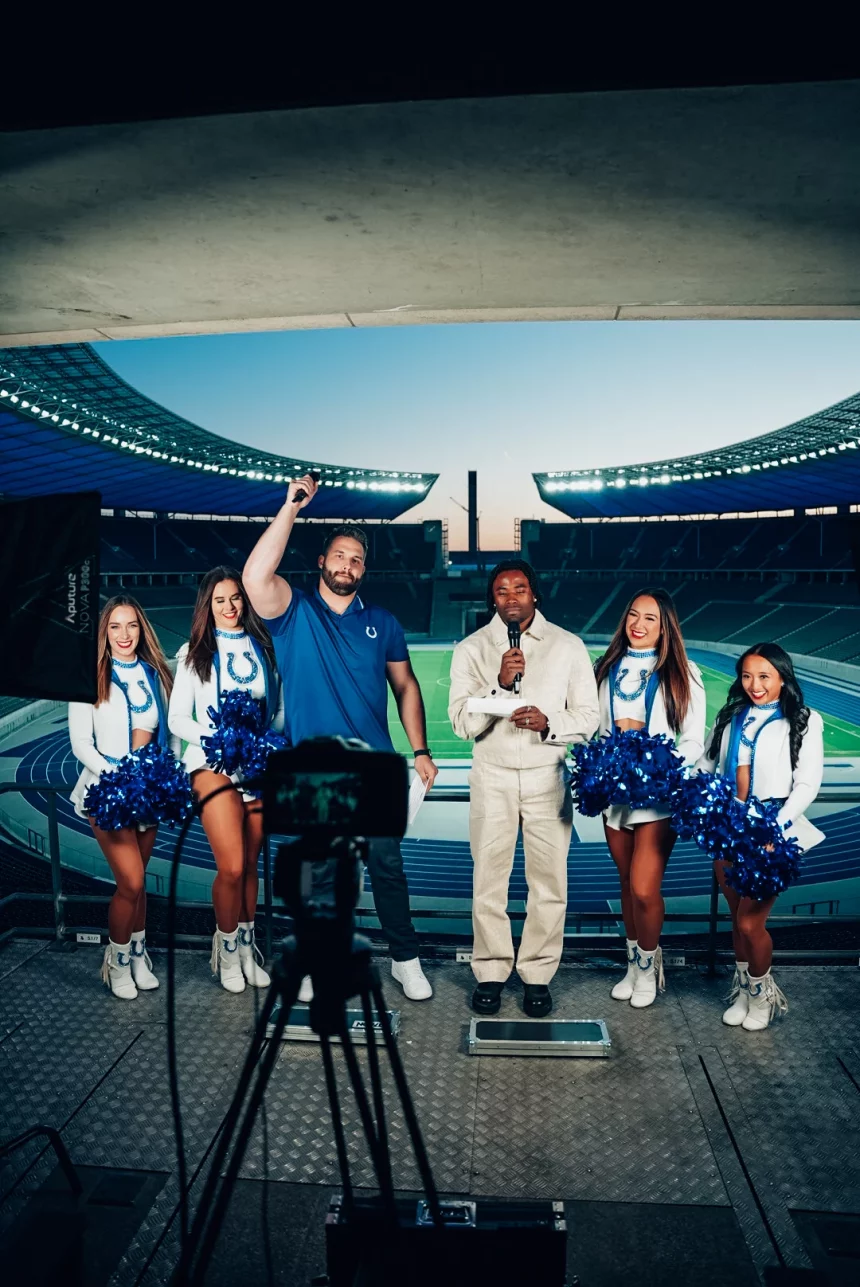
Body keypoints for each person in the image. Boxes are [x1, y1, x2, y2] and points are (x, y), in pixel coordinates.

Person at [242, 477, 438, 1003]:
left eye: (356, 559)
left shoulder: (383, 622)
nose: (347, 565)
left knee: (388, 870)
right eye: (339, 556)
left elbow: (406, 686)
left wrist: (420, 749)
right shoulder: (292, 613)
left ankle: (405, 960)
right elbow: (255, 576)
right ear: (321, 562)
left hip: (375, 767)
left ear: (363, 570)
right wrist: (291, 507)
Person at [448, 560, 599, 1017]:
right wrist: (498, 686)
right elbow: (462, 724)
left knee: (549, 883)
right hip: (491, 776)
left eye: (519, 588)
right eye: (501, 590)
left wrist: (549, 722)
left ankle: (537, 974)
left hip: (547, 775)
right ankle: (491, 971)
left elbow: (589, 717)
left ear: (535, 594)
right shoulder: (471, 649)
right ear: (492, 599)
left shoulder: (568, 646)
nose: (511, 597)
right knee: (488, 881)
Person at [168, 566, 284, 994]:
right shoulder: (193, 652)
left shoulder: (265, 646)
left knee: (251, 864)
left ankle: (248, 950)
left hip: (256, 767)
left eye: (235, 597)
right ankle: (227, 951)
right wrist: (220, 739)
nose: (230, 606)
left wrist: (265, 743)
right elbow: (177, 719)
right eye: (220, 600)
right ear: (207, 605)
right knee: (232, 865)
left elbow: (278, 710)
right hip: (211, 764)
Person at [697, 643, 824, 1031]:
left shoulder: (804, 720)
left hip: (771, 828)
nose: (755, 685)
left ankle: (762, 995)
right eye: (747, 676)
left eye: (765, 676)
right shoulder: (730, 715)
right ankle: (743, 991)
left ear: (783, 678)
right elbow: (707, 763)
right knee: (737, 919)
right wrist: (695, 794)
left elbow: (807, 784)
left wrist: (776, 827)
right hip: (728, 826)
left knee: (751, 923)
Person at [595, 588, 706, 1009]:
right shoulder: (604, 667)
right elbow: (594, 729)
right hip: (615, 792)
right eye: (633, 615)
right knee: (626, 883)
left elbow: (693, 739)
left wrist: (659, 767)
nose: (638, 625)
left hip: (658, 793)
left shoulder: (684, 672)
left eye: (650, 618)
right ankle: (631, 966)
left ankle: (648, 969)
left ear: (666, 627)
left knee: (644, 887)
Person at [69, 595, 177, 1000]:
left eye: (131, 625)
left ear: (142, 629)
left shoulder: (155, 673)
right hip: (108, 789)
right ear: (105, 632)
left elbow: (169, 733)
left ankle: (137, 955)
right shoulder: (88, 676)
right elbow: (81, 744)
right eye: (115, 626)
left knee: (140, 881)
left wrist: (165, 775)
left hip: (148, 791)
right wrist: (120, 777)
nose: (124, 634)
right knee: (130, 881)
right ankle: (115, 963)